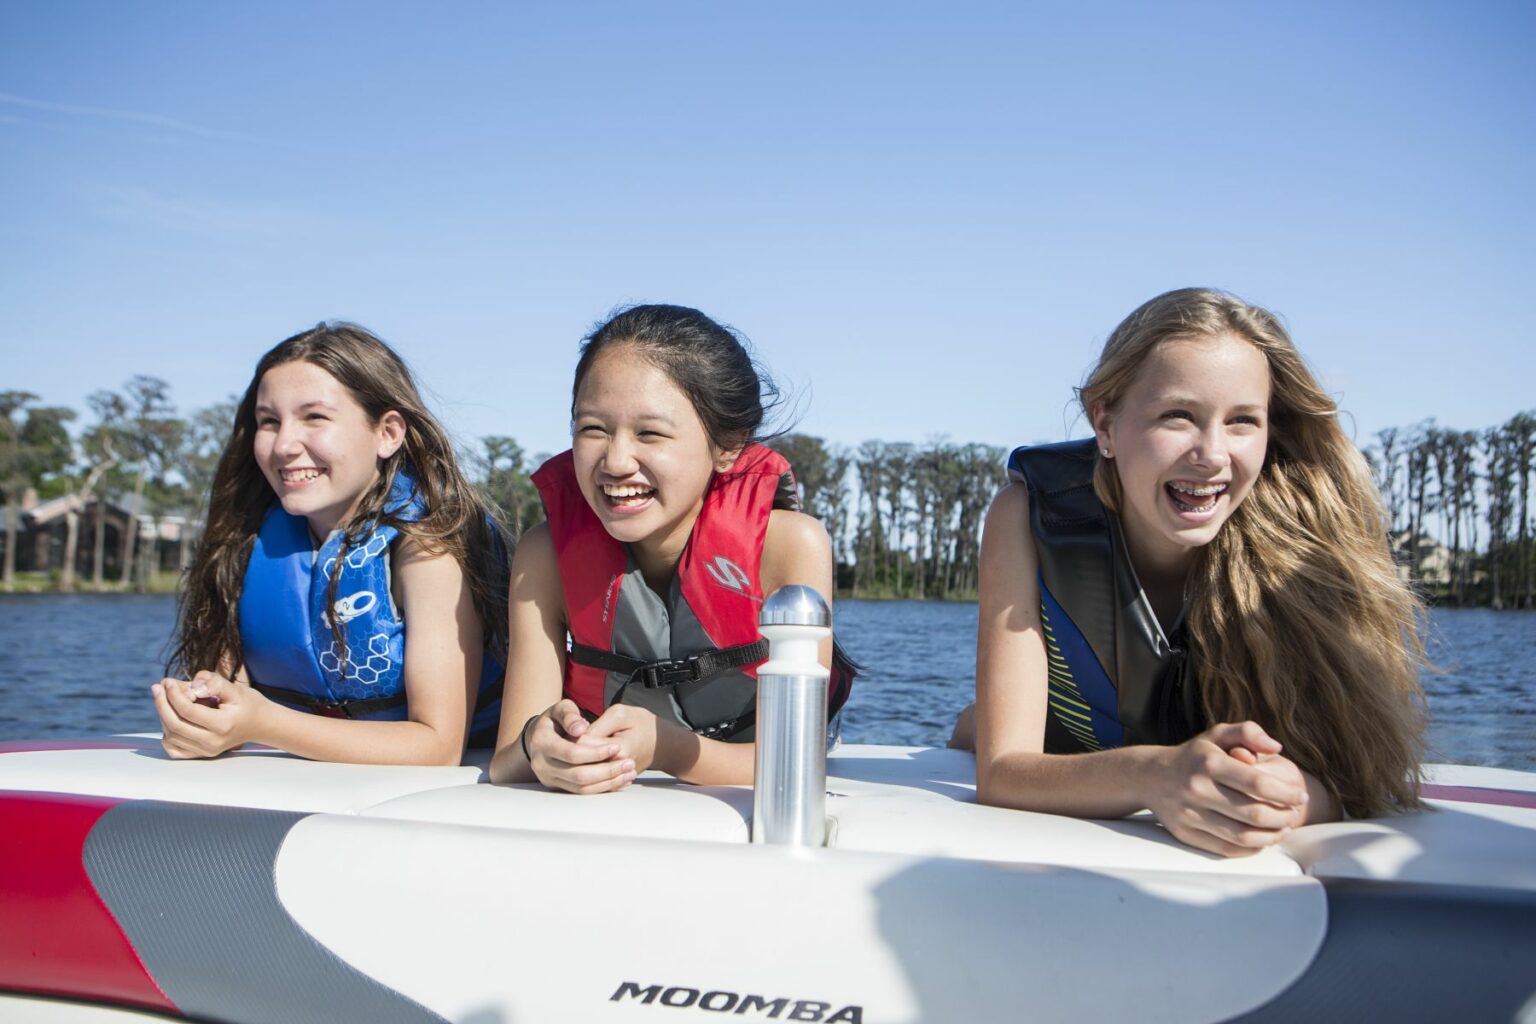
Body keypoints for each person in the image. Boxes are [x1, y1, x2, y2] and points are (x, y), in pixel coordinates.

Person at [957, 288, 1426, 856]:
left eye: (1242, 421)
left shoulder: (1307, 547)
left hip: (1186, 761)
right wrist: (1154, 775)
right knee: (972, 727)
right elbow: (1003, 771)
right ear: (1104, 422)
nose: (1212, 454)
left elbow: (1357, 780)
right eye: (1178, 416)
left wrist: (1284, 797)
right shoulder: (1027, 516)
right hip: (1074, 741)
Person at [489, 304, 853, 793]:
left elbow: (798, 759)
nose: (616, 461)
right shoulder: (545, 554)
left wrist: (666, 747)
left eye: (650, 433)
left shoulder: (788, 545)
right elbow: (505, 762)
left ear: (728, 445)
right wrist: (539, 744)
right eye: (592, 428)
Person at [155, 322, 508, 765]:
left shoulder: (428, 544)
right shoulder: (244, 542)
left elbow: (438, 747)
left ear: (388, 433)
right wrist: (199, 719)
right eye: (269, 422)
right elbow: (228, 692)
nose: (284, 444)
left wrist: (262, 723)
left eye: (314, 417)